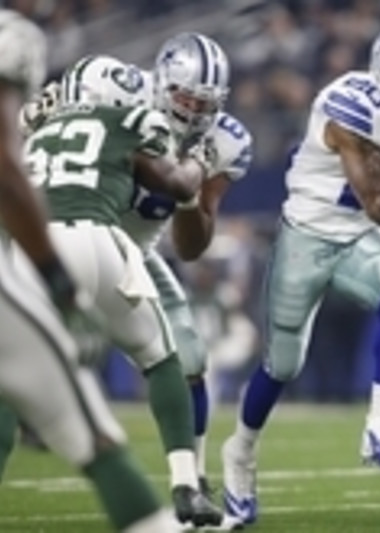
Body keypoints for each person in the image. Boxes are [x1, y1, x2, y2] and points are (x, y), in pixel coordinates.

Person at [221, 20, 380, 525]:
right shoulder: (349, 103)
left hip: (358, 236)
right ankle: (240, 453)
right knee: (283, 365)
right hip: (307, 234)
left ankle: (378, 428)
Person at [21, 54, 222, 527]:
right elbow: (175, 184)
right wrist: (198, 163)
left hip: (30, 252)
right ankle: (187, 485)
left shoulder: (31, 126)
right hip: (99, 241)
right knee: (161, 359)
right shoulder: (134, 117)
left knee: (8, 381)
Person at [0, 9, 177, 533]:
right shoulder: (17, 52)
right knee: (93, 435)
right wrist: (59, 286)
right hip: (75, 247)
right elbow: (10, 177)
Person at [120, 32, 253, 497]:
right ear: (160, 83)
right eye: (185, 98)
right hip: (77, 232)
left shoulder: (226, 140)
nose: (196, 112)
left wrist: (189, 192)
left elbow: (192, 246)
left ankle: (192, 477)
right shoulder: (117, 90)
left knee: (192, 357)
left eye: (207, 103)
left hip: (137, 248)